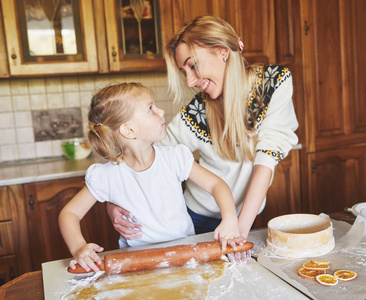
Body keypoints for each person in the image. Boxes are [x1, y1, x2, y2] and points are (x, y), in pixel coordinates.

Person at [107, 15, 298, 247]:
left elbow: (265, 161)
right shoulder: (197, 111)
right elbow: (142, 155)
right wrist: (114, 204)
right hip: (196, 217)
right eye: (184, 71)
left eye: (192, 66)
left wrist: (238, 231)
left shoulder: (274, 83)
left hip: (244, 217)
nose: (189, 81)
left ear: (222, 51)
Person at [58, 82, 244, 272]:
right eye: (150, 108)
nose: (161, 111)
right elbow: (69, 214)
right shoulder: (106, 175)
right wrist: (79, 247)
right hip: (139, 264)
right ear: (128, 130)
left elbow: (217, 185)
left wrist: (229, 220)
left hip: (186, 256)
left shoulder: (174, 158)